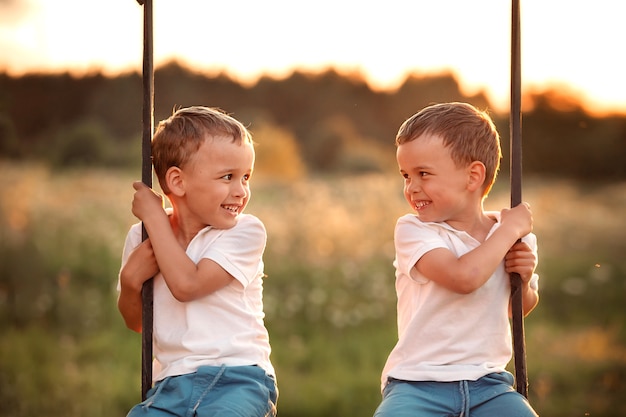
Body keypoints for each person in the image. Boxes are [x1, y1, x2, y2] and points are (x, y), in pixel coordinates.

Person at [374, 102, 539, 417]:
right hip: (417, 384)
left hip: (489, 385)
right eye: (406, 175)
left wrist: (525, 280)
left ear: (473, 176)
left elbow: (515, 308)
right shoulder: (414, 230)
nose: (412, 188)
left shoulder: (515, 237)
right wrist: (509, 230)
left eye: (423, 174)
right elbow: (464, 278)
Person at [117, 106, 278, 417]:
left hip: (238, 378)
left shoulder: (245, 231)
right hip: (170, 385)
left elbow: (187, 285)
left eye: (246, 177)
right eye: (228, 177)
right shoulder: (143, 238)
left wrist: (153, 215)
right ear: (177, 182)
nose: (241, 191)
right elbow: (137, 323)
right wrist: (130, 281)